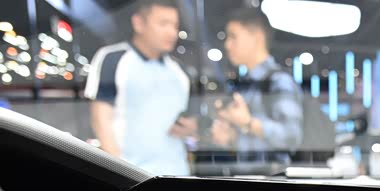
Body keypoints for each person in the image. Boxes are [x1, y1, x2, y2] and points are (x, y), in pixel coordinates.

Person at [84, 0, 194, 176]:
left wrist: (191, 127)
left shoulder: (180, 71)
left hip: (178, 175)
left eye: (175, 25)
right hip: (132, 177)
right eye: (163, 23)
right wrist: (121, 175)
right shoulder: (113, 59)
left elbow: (188, 120)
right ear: (139, 23)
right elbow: (101, 121)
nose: (172, 32)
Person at [211, 8, 303, 166]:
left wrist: (248, 123)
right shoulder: (246, 84)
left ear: (257, 37)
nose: (227, 45)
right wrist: (230, 137)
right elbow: (252, 144)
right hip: (248, 176)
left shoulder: (279, 81)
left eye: (233, 36)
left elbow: (292, 137)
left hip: (271, 178)